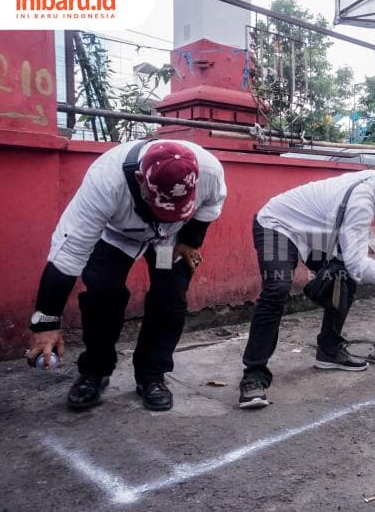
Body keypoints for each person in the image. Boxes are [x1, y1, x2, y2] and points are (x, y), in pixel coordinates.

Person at [26, 139, 227, 411]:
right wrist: (45, 323)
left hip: (170, 239)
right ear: (140, 179)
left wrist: (191, 240)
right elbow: (68, 254)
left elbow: (211, 204)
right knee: (102, 295)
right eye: (161, 204)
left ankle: (151, 375)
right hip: (116, 234)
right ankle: (95, 371)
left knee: (171, 299)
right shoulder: (105, 181)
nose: (165, 213)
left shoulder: (210, 171)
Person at [239, 163, 375, 409]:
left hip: (314, 234)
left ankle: (329, 350)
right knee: (277, 288)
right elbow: (359, 265)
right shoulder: (362, 201)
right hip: (276, 224)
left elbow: (351, 252)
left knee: (344, 274)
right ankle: (254, 376)